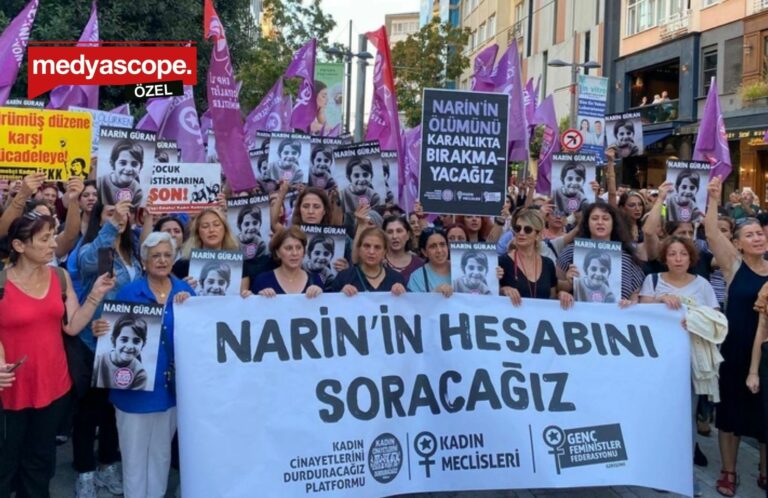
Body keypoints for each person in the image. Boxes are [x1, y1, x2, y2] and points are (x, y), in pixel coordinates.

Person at [0, 213, 115, 498]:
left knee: (40, 460)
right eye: (44, 239)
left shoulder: (60, 277)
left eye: (53, 236)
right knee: (5, 461)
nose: (53, 244)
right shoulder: (1, 282)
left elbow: (72, 326)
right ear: (19, 245)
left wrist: (95, 295)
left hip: (53, 386)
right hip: (10, 389)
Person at [93, 232, 193, 498]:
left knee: (161, 456)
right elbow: (110, 333)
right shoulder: (129, 292)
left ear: (174, 258)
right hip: (132, 392)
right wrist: (100, 328)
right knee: (134, 458)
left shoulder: (186, 293)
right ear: (145, 261)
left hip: (170, 391)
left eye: (167, 255)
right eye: (155, 256)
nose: (162, 260)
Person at [701, 178, 768, 496]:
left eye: (760, 233)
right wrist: (714, 199)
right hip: (735, 348)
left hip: (765, 352)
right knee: (730, 413)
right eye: (749, 235)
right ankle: (729, 472)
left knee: (765, 413)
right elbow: (712, 234)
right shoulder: (733, 266)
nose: (757, 238)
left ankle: (764, 471)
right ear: (738, 244)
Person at [558, 203, 646, 304]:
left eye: (605, 219)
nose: (600, 222)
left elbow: (635, 294)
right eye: (595, 218)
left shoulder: (626, 257)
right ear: (587, 223)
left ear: (613, 223)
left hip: (616, 314)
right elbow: (554, 287)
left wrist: (630, 303)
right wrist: (565, 287)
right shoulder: (571, 252)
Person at [499, 208, 572, 308]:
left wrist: (561, 295)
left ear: (537, 235)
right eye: (518, 228)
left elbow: (551, 298)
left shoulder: (548, 264)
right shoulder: (502, 262)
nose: (521, 233)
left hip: (542, 317)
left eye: (527, 230)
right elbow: (490, 295)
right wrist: (503, 290)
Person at [331, 227, 406, 295]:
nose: (371, 252)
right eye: (367, 246)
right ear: (359, 249)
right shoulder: (344, 277)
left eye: (377, 247)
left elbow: (408, 303)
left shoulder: (396, 279)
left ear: (384, 252)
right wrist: (340, 295)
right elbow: (330, 303)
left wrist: (403, 294)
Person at [250, 226, 323, 297]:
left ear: (304, 251)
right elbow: (250, 304)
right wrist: (257, 298)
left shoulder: (315, 280)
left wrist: (321, 295)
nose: (295, 253)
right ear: (277, 252)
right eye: (289, 248)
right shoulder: (262, 281)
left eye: (298, 248)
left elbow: (326, 304)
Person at [92, 314, 149, 390]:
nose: (129, 346)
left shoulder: (140, 374)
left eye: (136, 341)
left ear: (143, 344)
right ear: (113, 340)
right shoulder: (98, 362)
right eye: (124, 340)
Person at [97, 139, 145, 208]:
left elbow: (133, 213)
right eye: (123, 163)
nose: (128, 169)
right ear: (112, 163)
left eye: (134, 164)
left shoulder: (137, 191)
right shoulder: (99, 183)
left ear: (141, 167)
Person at [407, 228, 452, 296]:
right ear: (424, 252)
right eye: (433, 246)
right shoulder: (417, 278)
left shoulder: (461, 269)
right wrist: (433, 295)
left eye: (442, 244)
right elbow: (413, 302)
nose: (439, 250)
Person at [341, 157, 381, 229]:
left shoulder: (374, 196)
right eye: (356, 176)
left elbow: (375, 222)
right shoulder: (342, 195)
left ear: (371, 176)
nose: (361, 179)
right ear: (349, 177)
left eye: (365, 175)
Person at [382, 215, 424, 282]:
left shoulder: (419, 264)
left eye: (399, 231)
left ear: (408, 235)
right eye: (390, 232)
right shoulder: (378, 262)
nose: (394, 236)